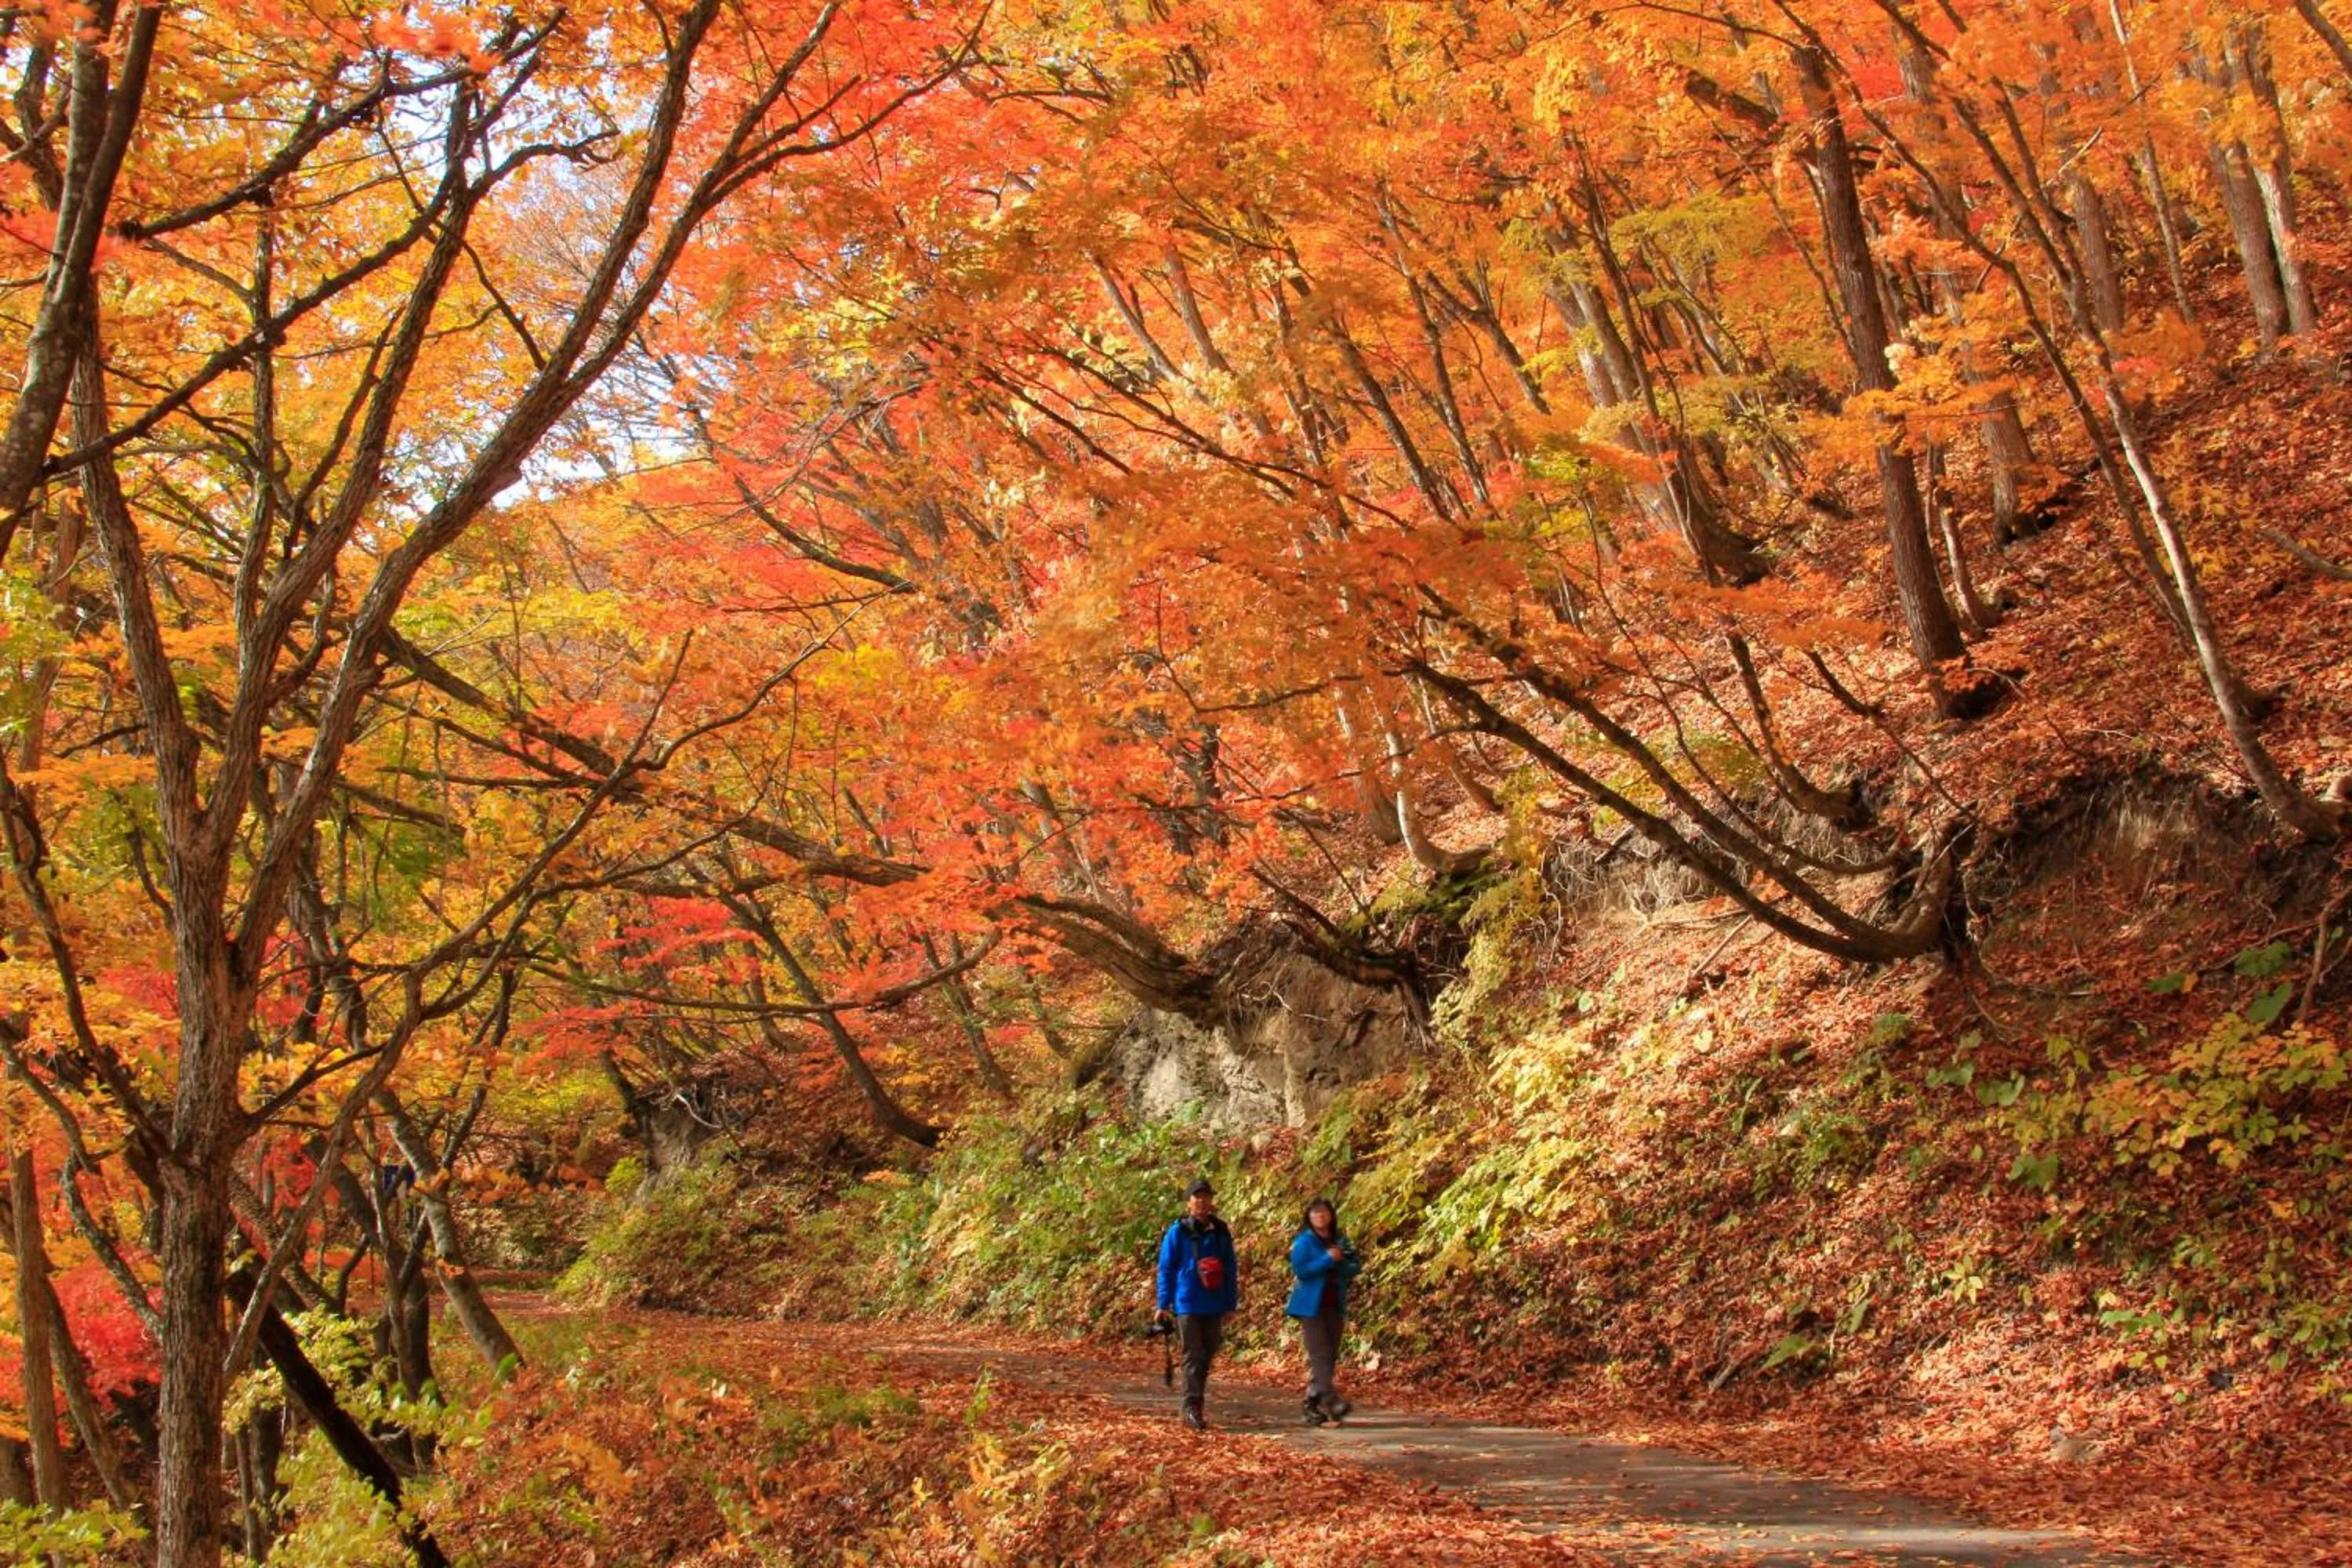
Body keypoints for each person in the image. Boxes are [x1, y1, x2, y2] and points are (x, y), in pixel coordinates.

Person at [1155, 1177, 1238, 1431]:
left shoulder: (1221, 1231)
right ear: (1188, 1203)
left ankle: (1194, 1402)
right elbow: (1166, 1269)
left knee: (1207, 1353)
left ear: (1211, 1201)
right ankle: (1192, 1407)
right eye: (1196, 1197)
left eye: (1206, 1197)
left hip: (1213, 1303)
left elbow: (1230, 1269)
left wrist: (1230, 1302)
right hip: (1187, 1302)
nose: (1202, 1201)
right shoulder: (1178, 1232)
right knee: (1193, 1355)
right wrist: (1163, 1303)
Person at [1286, 1196, 1360, 1425]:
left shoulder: (1339, 1240)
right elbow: (1302, 1270)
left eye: (1324, 1212)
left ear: (1331, 1215)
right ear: (1309, 1217)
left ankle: (1311, 1403)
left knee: (1329, 1357)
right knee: (1321, 1355)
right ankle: (1331, 1401)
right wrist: (1327, 1259)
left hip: (1334, 1303)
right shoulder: (1304, 1242)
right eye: (1316, 1212)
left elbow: (1354, 1265)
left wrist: (1340, 1263)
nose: (1321, 1216)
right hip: (1310, 1307)